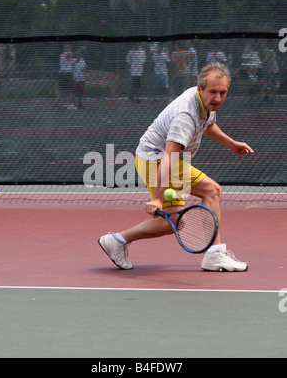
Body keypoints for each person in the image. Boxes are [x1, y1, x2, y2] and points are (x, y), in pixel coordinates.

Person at [98, 62, 254, 272]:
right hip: (157, 159)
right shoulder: (185, 117)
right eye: (213, 92)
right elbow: (169, 156)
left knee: (171, 221)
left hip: (152, 158)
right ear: (200, 89)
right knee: (212, 190)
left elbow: (207, 124)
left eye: (223, 92)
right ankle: (214, 255)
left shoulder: (203, 102)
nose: (217, 98)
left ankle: (116, 240)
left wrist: (232, 144)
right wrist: (157, 198)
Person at [58, 44, 75, 109]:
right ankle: (65, 104)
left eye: (70, 48)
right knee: (65, 90)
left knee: (70, 90)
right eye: (69, 48)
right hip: (63, 74)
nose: (70, 49)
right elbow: (67, 56)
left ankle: (70, 104)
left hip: (69, 73)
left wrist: (79, 54)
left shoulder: (70, 56)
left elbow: (76, 61)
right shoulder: (62, 55)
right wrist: (76, 52)